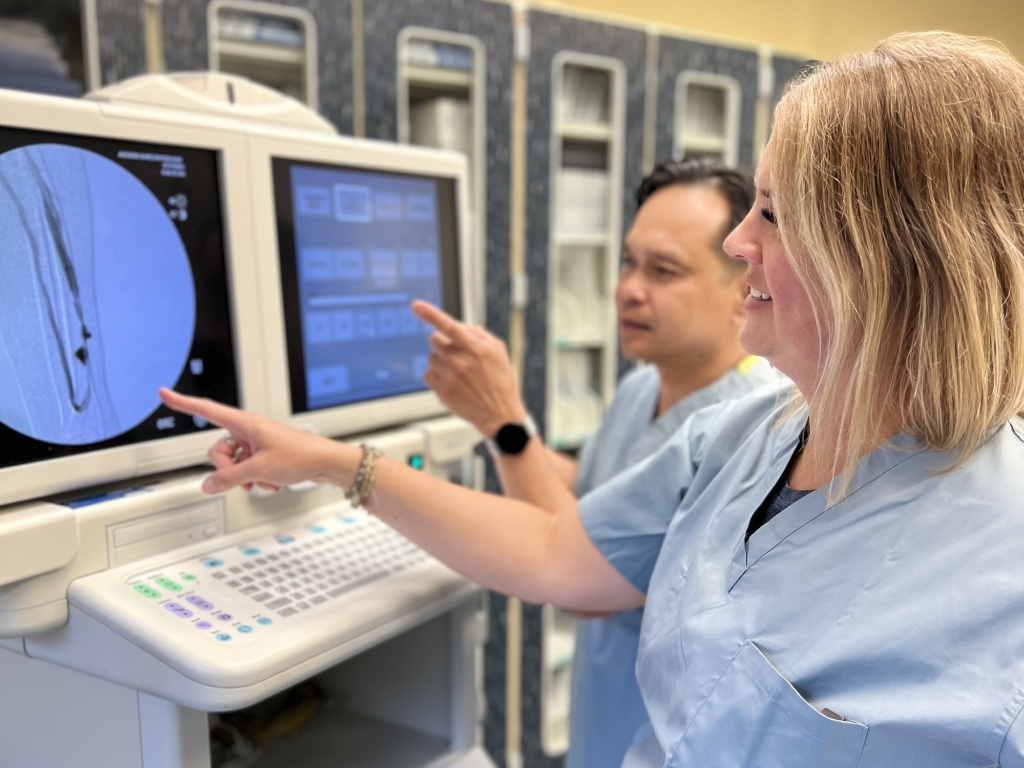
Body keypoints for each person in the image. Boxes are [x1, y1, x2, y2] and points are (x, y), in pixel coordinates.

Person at [161, 30, 1024, 767]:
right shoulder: (741, 438)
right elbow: (554, 550)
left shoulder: (997, 570)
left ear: (883, 261)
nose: (739, 243)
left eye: (772, 215)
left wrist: (505, 429)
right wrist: (330, 461)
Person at [412, 157, 778, 768]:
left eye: (663, 270)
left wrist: (506, 426)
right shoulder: (644, 386)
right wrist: (500, 424)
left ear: (743, 290)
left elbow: (580, 577)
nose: (629, 288)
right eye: (628, 262)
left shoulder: (750, 432)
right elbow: (595, 495)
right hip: (602, 718)